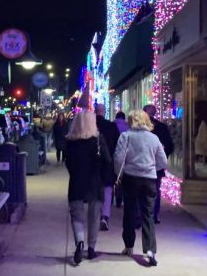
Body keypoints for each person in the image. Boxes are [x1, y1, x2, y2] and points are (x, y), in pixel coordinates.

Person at [114, 109, 168, 266]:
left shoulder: (126, 137)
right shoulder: (154, 138)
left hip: (130, 178)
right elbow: (163, 162)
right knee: (148, 214)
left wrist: (119, 173)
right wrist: (151, 168)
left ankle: (129, 245)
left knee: (129, 212)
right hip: (149, 179)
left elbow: (118, 158)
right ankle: (150, 249)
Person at [65, 110, 111, 265]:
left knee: (76, 216)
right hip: (95, 182)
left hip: (77, 182)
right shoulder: (98, 140)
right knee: (94, 216)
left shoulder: (71, 141)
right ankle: (91, 248)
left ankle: (80, 242)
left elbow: (68, 164)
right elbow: (107, 160)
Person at [143, 104, 174, 223]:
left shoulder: (140, 127)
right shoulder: (161, 127)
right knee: (155, 190)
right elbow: (170, 146)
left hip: (142, 165)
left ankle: (143, 213)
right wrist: (163, 158)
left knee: (142, 189)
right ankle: (154, 214)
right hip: (157, 166)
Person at [94, 104, 121, 232]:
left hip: (94, 163)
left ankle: (99, 213)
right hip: (109, 162)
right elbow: (117, 145)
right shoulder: (111, 126)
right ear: (104, 112)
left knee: (97, 190)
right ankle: (105, 215)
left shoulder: (90, 126)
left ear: (95, 112)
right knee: (108, 189)